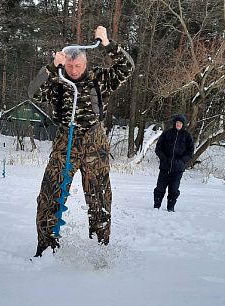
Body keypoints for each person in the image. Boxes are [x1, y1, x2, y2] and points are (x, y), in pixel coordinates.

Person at [28, 26, 135, 257]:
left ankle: (100, 249)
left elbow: (127, 68)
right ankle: (46, 249)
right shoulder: (58, 81)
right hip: (64, 140)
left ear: (85, 64)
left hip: (94, 141)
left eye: (78, 66)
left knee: (100, 199)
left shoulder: (101, 79)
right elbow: (34, 93)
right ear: (64, 64)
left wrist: (107, 43)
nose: (74, 71)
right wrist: (50, 67)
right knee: (50, 194)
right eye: (69, 66)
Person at [153, 114, 194, 212]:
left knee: (174, 189)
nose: (178, 124)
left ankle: (170, 208)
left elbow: (190, 151)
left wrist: (182, 161)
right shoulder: (167, 133)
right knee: (160, 187)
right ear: (174, 123)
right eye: (177, 122)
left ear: (183, 124)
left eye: (180, 123)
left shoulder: (187, 136)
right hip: (165, 166)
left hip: (178, 168)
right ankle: (156, 206)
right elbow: (158, 148)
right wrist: (163, 158)